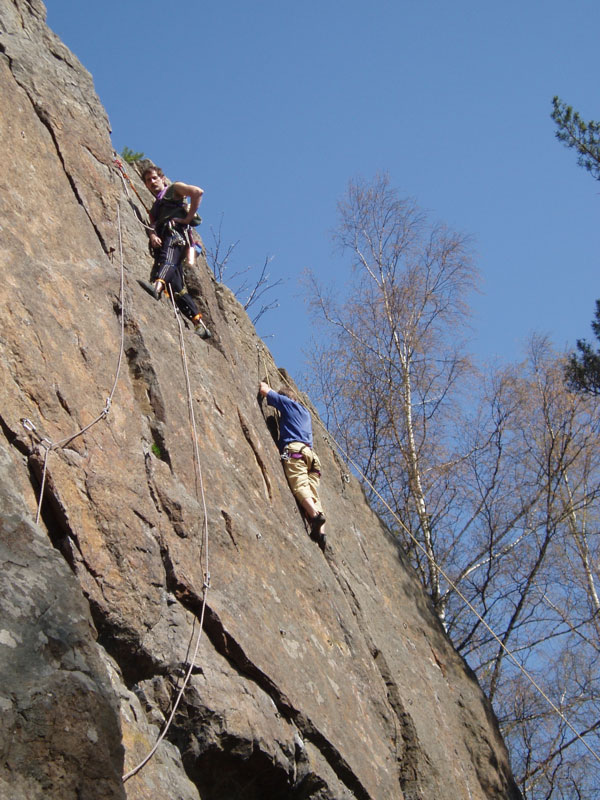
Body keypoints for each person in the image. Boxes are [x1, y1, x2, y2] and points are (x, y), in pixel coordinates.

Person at [139, 165, 210, 338]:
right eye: (148, 181)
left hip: (176, 235)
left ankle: (156, 288)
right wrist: (152, 235)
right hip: (166, 236)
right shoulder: (156, 207)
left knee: (167, 259)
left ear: (162, 179)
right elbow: (152, 225)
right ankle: (199, 323)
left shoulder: (174, 189)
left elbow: (197, 192)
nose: (152, 182)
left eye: (155, 178)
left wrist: (186, 218)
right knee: (177, 287)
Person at [258, 381, 326, 549]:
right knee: (313, 493)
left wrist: (264, 384)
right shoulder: (305, 413)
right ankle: (321, 533)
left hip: (296, 451)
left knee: (299, 484)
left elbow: (265, 391)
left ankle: (315, 516)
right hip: (311, 457)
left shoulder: (288, 405)